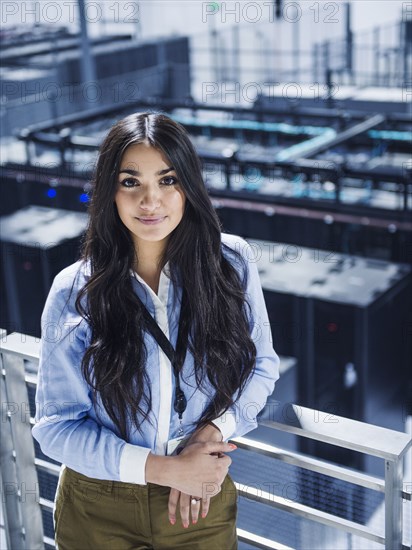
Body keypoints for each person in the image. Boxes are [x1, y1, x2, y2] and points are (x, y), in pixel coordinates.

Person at [32, 111, 280, 550]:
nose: (151, 201)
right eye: (131, 182)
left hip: (197, 499)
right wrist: (165, 469)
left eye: (167, 181)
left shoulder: (231, 264)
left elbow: (261, 366)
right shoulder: (74, 291)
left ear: (189, 186)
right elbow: (55, 426)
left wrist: (215, 431)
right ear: (110, 191)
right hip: (97, 501)